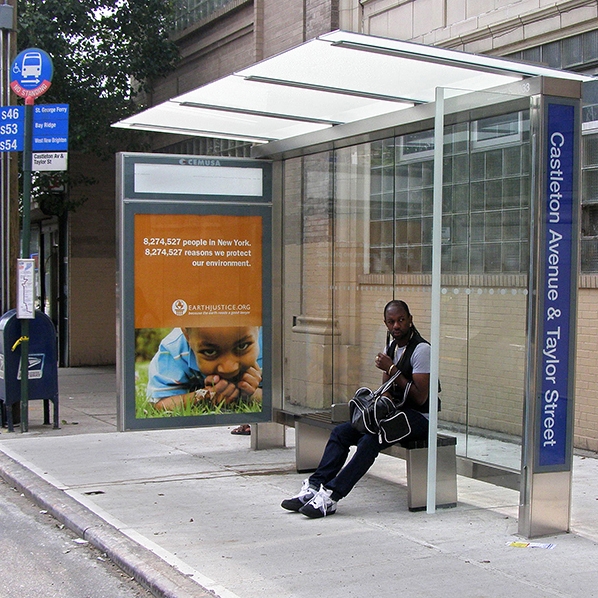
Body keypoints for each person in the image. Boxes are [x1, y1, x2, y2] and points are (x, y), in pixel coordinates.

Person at [281, 300, 433, 518]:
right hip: (395, 413)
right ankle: (314, 487)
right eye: (391, 322)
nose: (396, 326)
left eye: (401, 320)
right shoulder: (391, 347)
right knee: (341, 432)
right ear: (385, 324)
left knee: (370, 441)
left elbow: (420, 397)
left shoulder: (421, 350)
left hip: (418, 418)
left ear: (410, 320)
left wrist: (392, 368)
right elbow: (386, 390)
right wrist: (376, 409)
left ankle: (331, 496)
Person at [146, 326, 262, 414]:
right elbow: (159, 404)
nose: (228, 368)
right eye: (210, 352)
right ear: (187, 335)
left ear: (259, 326)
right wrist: (205, 395)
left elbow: (279, 399)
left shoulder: (274, 341)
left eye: (242, 346)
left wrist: (249, 395)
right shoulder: (174, 350)